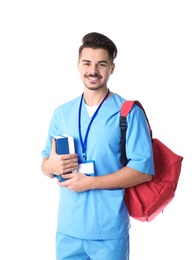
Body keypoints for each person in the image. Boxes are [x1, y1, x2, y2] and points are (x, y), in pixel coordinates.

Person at [41, 32, 155, 260]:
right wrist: (50, 165)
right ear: (78, 65)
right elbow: (45, 165)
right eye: (87, 63)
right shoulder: (62, 113)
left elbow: (143, 171)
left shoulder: (128, 113)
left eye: (101, 64)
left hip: (108, 231)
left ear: (112, 68)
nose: (93, 71)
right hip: (68, 230)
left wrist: (91, 183)